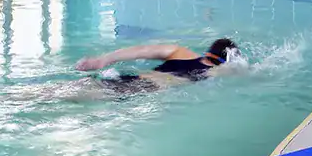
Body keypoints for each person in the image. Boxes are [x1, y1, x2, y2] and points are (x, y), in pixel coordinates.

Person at [74, 38, 236, 89]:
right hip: (141, 90)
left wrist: (102, 60)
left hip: (128, 79)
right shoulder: (216, 72)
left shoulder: (181, 52)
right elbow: (243, 70)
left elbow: (141, 50)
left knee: (68, 90)